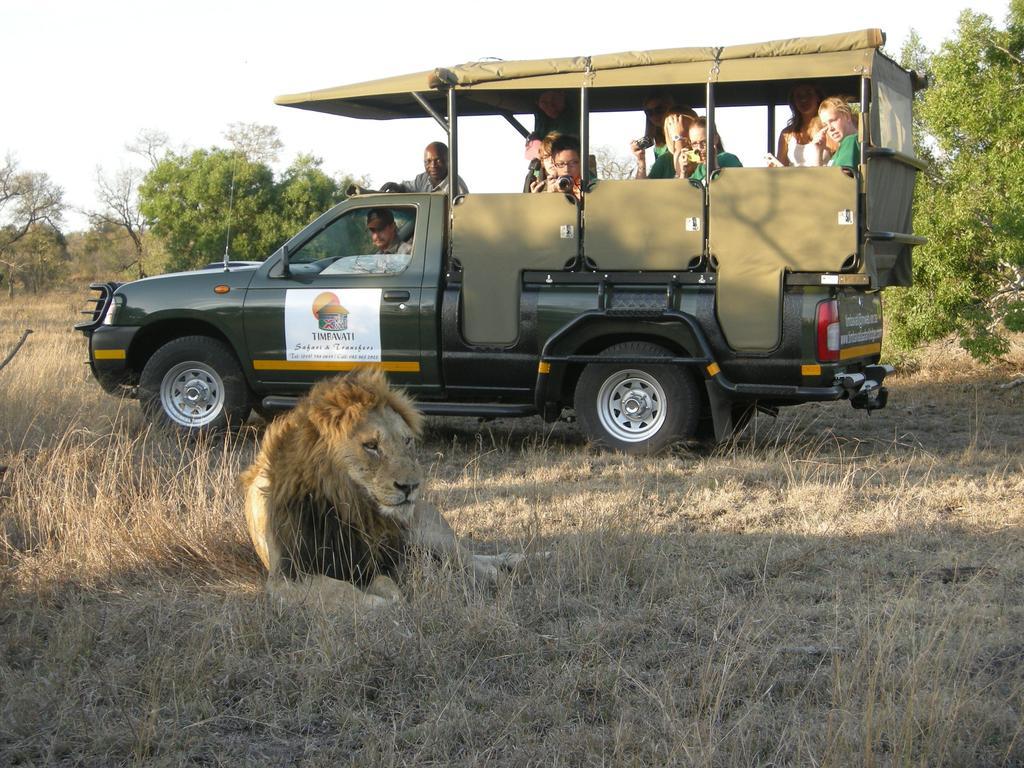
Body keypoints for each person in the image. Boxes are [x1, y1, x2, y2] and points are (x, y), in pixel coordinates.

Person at [772, 82, 831, 167]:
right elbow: (781, 170)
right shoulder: (787, 134)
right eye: (798, 96)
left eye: (808, 93)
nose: (803, 99)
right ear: (794, 101)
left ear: (817, 97)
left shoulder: (829, 129)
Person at [633, 109, 699, 179]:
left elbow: (682, 177)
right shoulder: (665, 160)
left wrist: (679, 139)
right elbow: (642, 187)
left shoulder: (702, 155)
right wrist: (641, 161)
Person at [399, 142, 469, 194]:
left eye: (438, 160)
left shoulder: (458, 188)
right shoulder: (422, 179)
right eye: (428, 161)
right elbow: (406, 187)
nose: (433, 165)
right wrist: (397, 187)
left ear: (448, 161)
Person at [687, 117, 743, 182]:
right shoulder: (700, 168)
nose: (699, 148)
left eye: (704, 142)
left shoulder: (729, 159)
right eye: (694, 143)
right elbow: (685, 191)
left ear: (715, 139)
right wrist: (683, 172)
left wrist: (715, 166)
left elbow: (736, 187)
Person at [357, 208, 411, 273]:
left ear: (392, 226)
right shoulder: (377, 256)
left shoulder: (408, 253)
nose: (376, 236)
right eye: (372, 230)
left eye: (380, 229)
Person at [816, 96, 859, 170]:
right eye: (825, 125)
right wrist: (819, 151)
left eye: (833, 121)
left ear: (847, 116)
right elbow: (820, 178)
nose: (830, 128)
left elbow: (842, 178)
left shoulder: (851, 140)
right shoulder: (842, 149)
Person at [545, 134, 584, 200]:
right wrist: (549, 197)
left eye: (573, 163)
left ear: (581, 162)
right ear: (554, 164)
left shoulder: (590, 187)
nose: (567, 169)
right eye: (561, 164)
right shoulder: (551, 185)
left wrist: (571, 194)